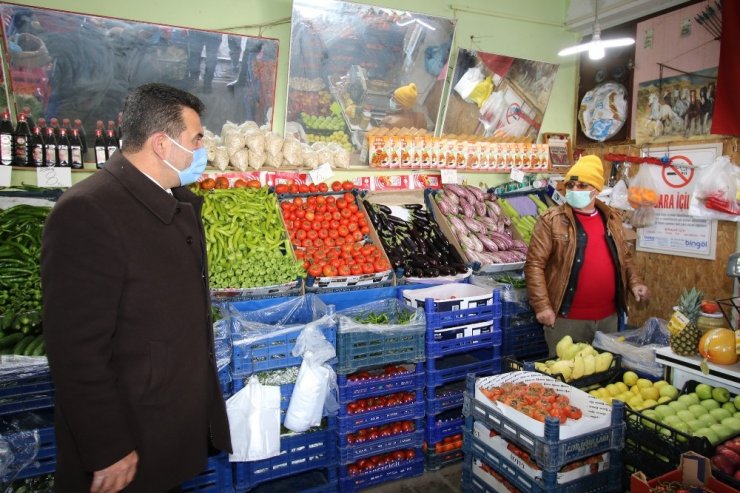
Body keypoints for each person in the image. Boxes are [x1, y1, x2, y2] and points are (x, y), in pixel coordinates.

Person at [41, 83, 231, 493]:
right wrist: (107, 446)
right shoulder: (88, 211)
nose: (203, 149)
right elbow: (75, 350)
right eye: (196, 139)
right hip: (129, 429)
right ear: (162, 144)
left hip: (165, 418)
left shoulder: (172, 198)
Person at [523, 155, 649, 356]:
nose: (574, 190)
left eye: (582, 185)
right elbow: (534, 265)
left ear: (596, 190)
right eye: (570, 185)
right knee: (565, 379)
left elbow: (624, 258)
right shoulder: (552, 220)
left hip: (609, 320)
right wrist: (542, 306)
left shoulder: (611, 219)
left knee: (606, 380)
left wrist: (635, 282)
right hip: (567, 321)